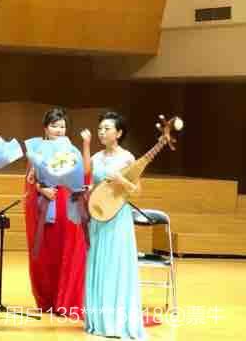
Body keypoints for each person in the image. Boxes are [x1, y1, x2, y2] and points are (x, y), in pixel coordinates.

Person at [83, 111, 145, 339]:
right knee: (99, 263)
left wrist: (121, 180)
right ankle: (99, 320)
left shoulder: (128, 158)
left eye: (107, 128)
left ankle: (117, 321)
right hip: (99, 216)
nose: (102, 132)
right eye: (100, 128)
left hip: (119, 218)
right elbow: (91, 180)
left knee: (116, 265)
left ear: (118, 133)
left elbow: (137, 191)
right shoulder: (97, 157)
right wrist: (90, 191)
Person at [24, 107, 88, 318]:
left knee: (65, 250)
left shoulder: (72, 151)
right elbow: (30, 181)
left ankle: (65, 298)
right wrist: (42, 189)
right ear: (45, 128)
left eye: (62, 126)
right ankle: (48, 298)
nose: (59, 130)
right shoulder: (37, 149)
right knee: (46, 251)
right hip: (45, 204)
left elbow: (81, 179)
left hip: (66, 205)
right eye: (54, 126)